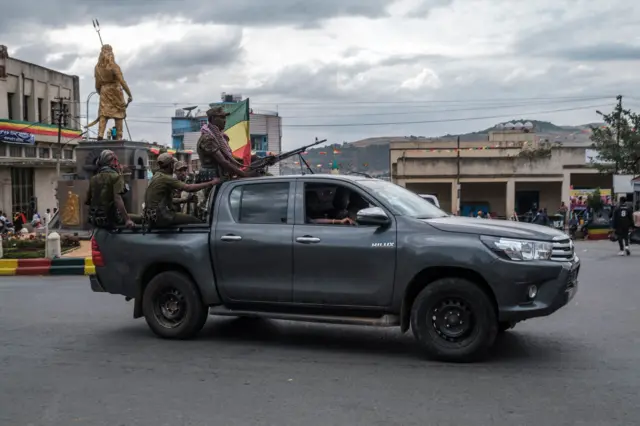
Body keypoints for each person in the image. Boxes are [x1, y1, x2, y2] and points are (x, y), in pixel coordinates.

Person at [144, 153, 219, 228]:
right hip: (162, 217)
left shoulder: (156, 176)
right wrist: (211, 183)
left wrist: (185, 200)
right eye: (179, 170)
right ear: (171, 165)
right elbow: (189, 188)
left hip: (152, 216)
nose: (183, 173)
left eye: (184, 170)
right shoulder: (166, 178)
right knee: (195, 221)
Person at [86, 150, 137, 229]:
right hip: (111, 218)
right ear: (112, 161)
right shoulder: (116, 176)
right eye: (116, 160)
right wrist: (127, 220)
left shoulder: (94, 178)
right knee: (141, 218)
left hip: (94, 219)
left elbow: (88, 201)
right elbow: (117, 199)